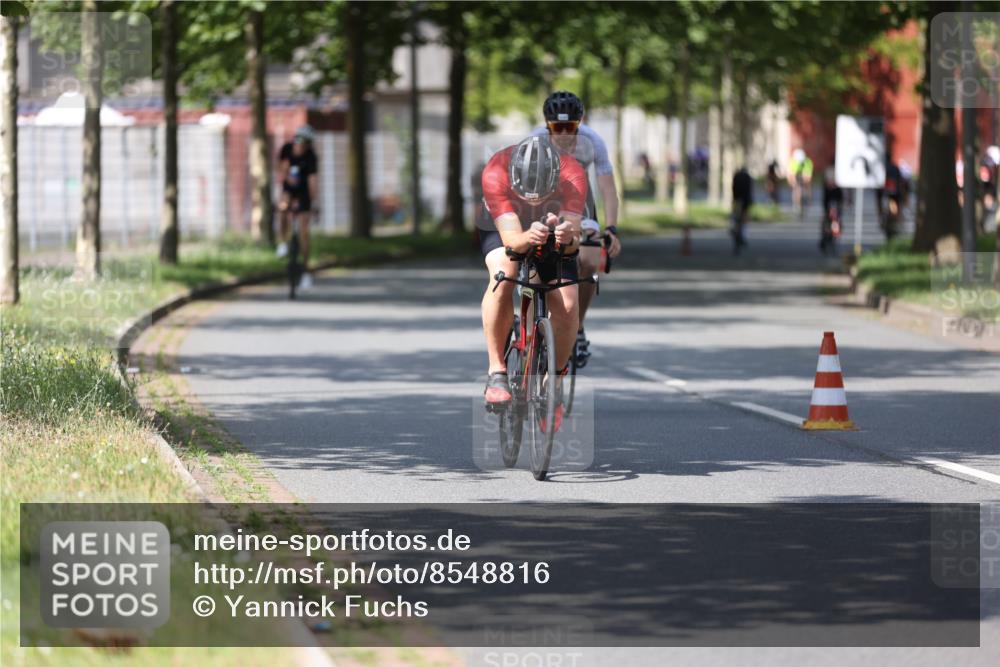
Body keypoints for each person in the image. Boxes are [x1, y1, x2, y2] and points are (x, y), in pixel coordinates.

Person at [479, 135, 587, 407]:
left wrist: (565, 236)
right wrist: (529, 236)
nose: (535, 200)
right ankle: (497, 372)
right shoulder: (496, 171)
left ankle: (556, 377)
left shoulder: (573, 174)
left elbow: (573, 245)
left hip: (551, 223)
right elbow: (513, 242)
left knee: (568, 299)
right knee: (503, 272)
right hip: (504, 226)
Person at [534, 90, 621, 368]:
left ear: (579, 123)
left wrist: (611, 228)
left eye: (569, 127)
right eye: (556, 127)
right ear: (547, 125)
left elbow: (607, 187)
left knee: (589, 258)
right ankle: (534, 321)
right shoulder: (533, 140)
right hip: (541, 200)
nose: (562, 133)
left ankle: (578, 327)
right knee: (533, 259)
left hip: (579, 203)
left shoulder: (592, 141)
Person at [276, 125, 319, 288]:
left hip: (303, 193)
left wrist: (314, 203)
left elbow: (313, 182)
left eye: (305, 142)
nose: (300, 144)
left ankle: (306, 270)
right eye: (298, 140)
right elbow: (279, 169)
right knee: (282, 208)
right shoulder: (286, 150)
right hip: (288, 189)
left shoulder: (311, 157)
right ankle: (282, 242)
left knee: (303, 231)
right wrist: (286, 174)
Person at [820, 165, 843, 255]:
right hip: (832, 199)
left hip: (832, 199)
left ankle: (827, 233)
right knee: (832, 218)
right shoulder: (838, 171)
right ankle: (827, 233)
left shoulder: (829, 171)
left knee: (831, 218)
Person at [731, 166, 753, 254]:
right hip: (745, 201)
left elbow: (733, 188)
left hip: (737, 200)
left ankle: (733, 226)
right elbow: (750, 190)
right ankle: (743, 235)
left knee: (736, 216)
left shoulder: (736, 176)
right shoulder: (747, 177)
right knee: (744, 218)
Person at [788, 148, 813, 217]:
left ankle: (808, 199)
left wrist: (806, 182)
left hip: (804, 174)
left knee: (808, 186)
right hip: (796, 174)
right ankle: (796, 203)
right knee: (796, 188)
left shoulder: (807, 162)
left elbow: (808, 175)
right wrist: (792, 183)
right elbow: (791, 174)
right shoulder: (793, 162)